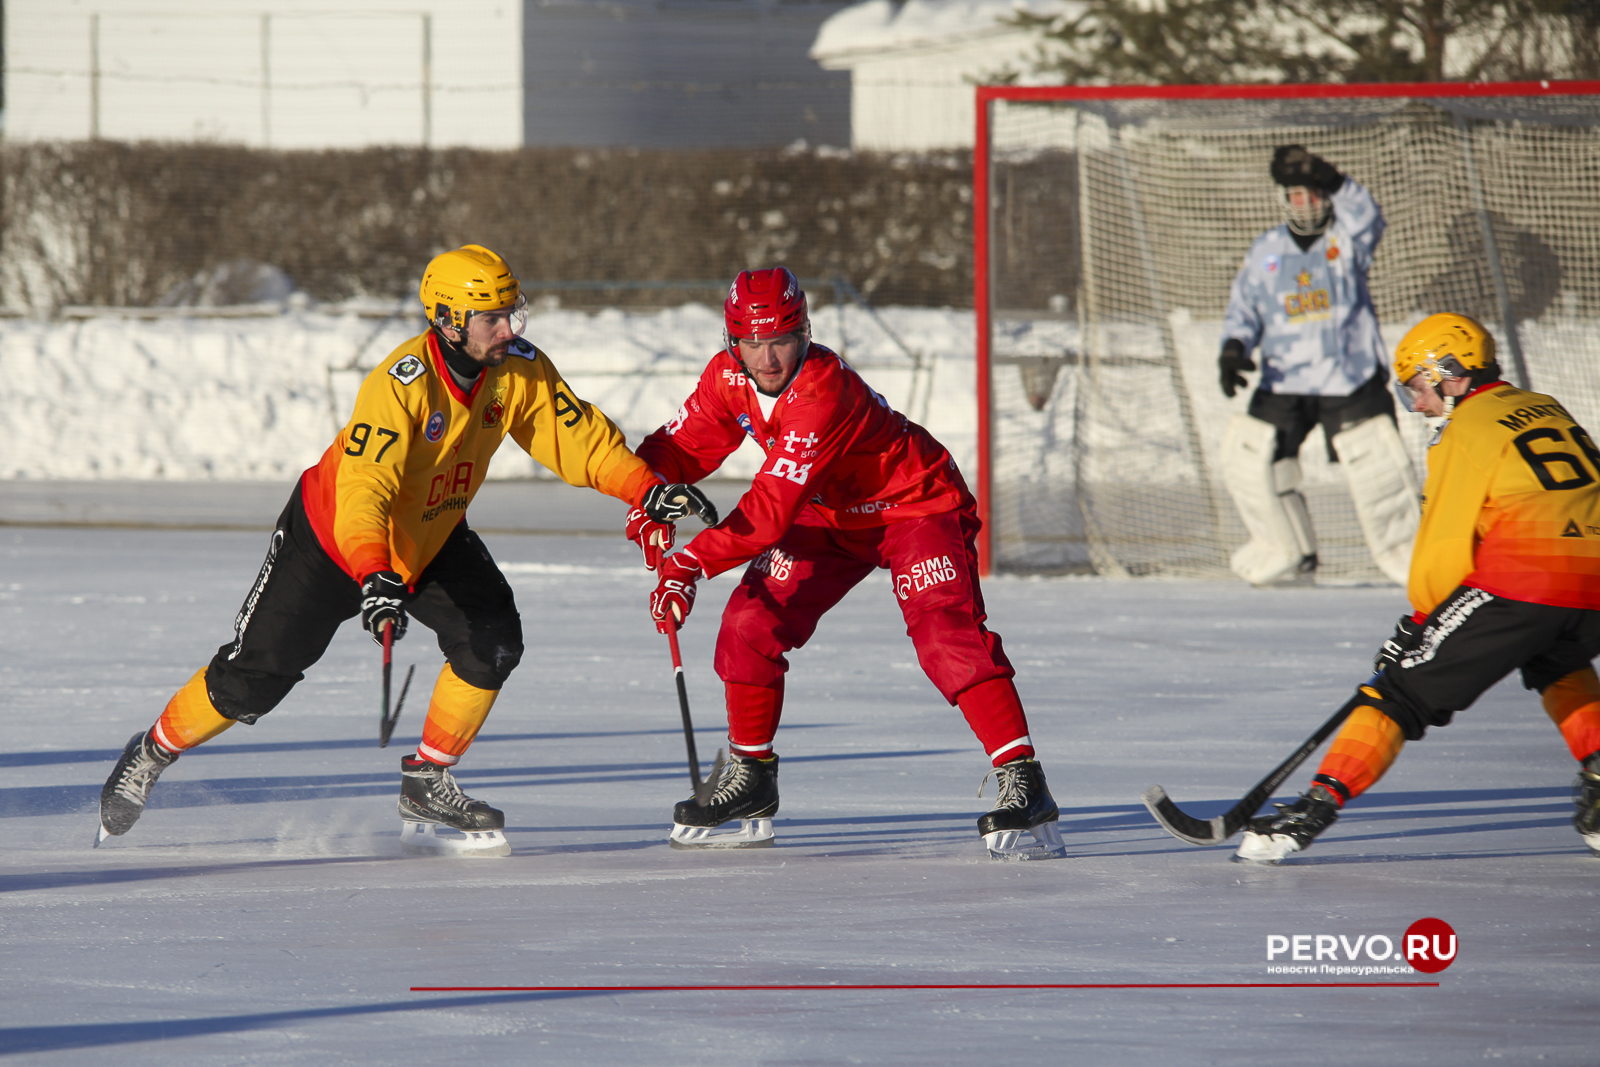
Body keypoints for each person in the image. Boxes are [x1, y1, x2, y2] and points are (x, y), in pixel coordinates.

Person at [96, 245, 712, 855]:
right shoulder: (398, 386)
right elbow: (364, 492)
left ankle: (427, 778)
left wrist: (646, 489)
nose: (509, 330)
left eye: (512, 313)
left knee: (492, 640)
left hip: (432, 532)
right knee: (253, 681)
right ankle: (151, 751)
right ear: (447, 321)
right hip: (336, 539)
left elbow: (578, 440)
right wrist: (373, 574)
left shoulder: (518, 368)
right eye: (491, 318)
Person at [628, 266, 1064, 860]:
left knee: (944, 634)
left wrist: (690, 563)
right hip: (827, 511)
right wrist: (648, 495)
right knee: (749, 624)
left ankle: (1023, 777)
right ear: (732, 342)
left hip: (912, 506)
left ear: (805, 332)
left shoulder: (820, 389)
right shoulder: (725, 376)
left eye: (781, 339)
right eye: (751, 343)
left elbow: (768, 510)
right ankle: (752, 777)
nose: (767, 358)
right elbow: (681, 446)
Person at [1235, 313, 1600, 864]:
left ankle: (1309, 812)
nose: (1420, 406)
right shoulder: (1546, 405)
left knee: (1397, 692)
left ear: (1449, 371)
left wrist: (1421, 621)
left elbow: (1447, 542)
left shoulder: (1464, 428)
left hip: (1529, 576)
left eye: (1418, 389)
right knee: (1555, 659)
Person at [1218, 144, 1419, 587]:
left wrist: (1332, 178)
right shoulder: (1265, 249)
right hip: (1283, 379)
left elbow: (1367, 215)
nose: (1304, 204)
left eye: (1312, 194)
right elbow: (1244, 309)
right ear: (1284, 200)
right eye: (1296, 195)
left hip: (1348, 379)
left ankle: (1411, 561)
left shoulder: (1347, 240)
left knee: (1379, 473)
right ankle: (1287, 552)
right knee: (1254, 464)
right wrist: (1234, 348)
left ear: (1324, 197)